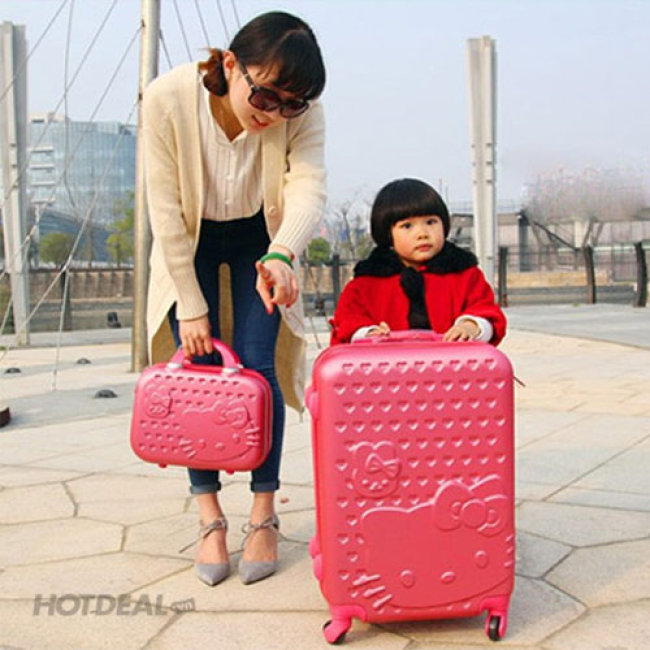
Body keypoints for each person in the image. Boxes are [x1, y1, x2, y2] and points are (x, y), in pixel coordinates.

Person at [142, 11, 326, 586]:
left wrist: (283, 253)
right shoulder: (166, 98)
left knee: (257, 370)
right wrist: (189, 303)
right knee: (197, 375)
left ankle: (264, 514)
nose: (274, 113)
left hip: (258, 237)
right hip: (189, 241)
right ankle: (210, 518)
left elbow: (308, 185)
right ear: (229, 64)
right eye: (265, 95)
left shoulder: (301, 111)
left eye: (290, 104)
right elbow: (164, 209)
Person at [330, 178, 506, 345]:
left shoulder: (465, 275)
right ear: (387, 233)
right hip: (386, 365)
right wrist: (368, 334)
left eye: (431, 222)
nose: (422, 234)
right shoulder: (366, 285)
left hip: (455, 364)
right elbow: (346, 324)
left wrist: (471, 326)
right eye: (407, 226)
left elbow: (486, 311)